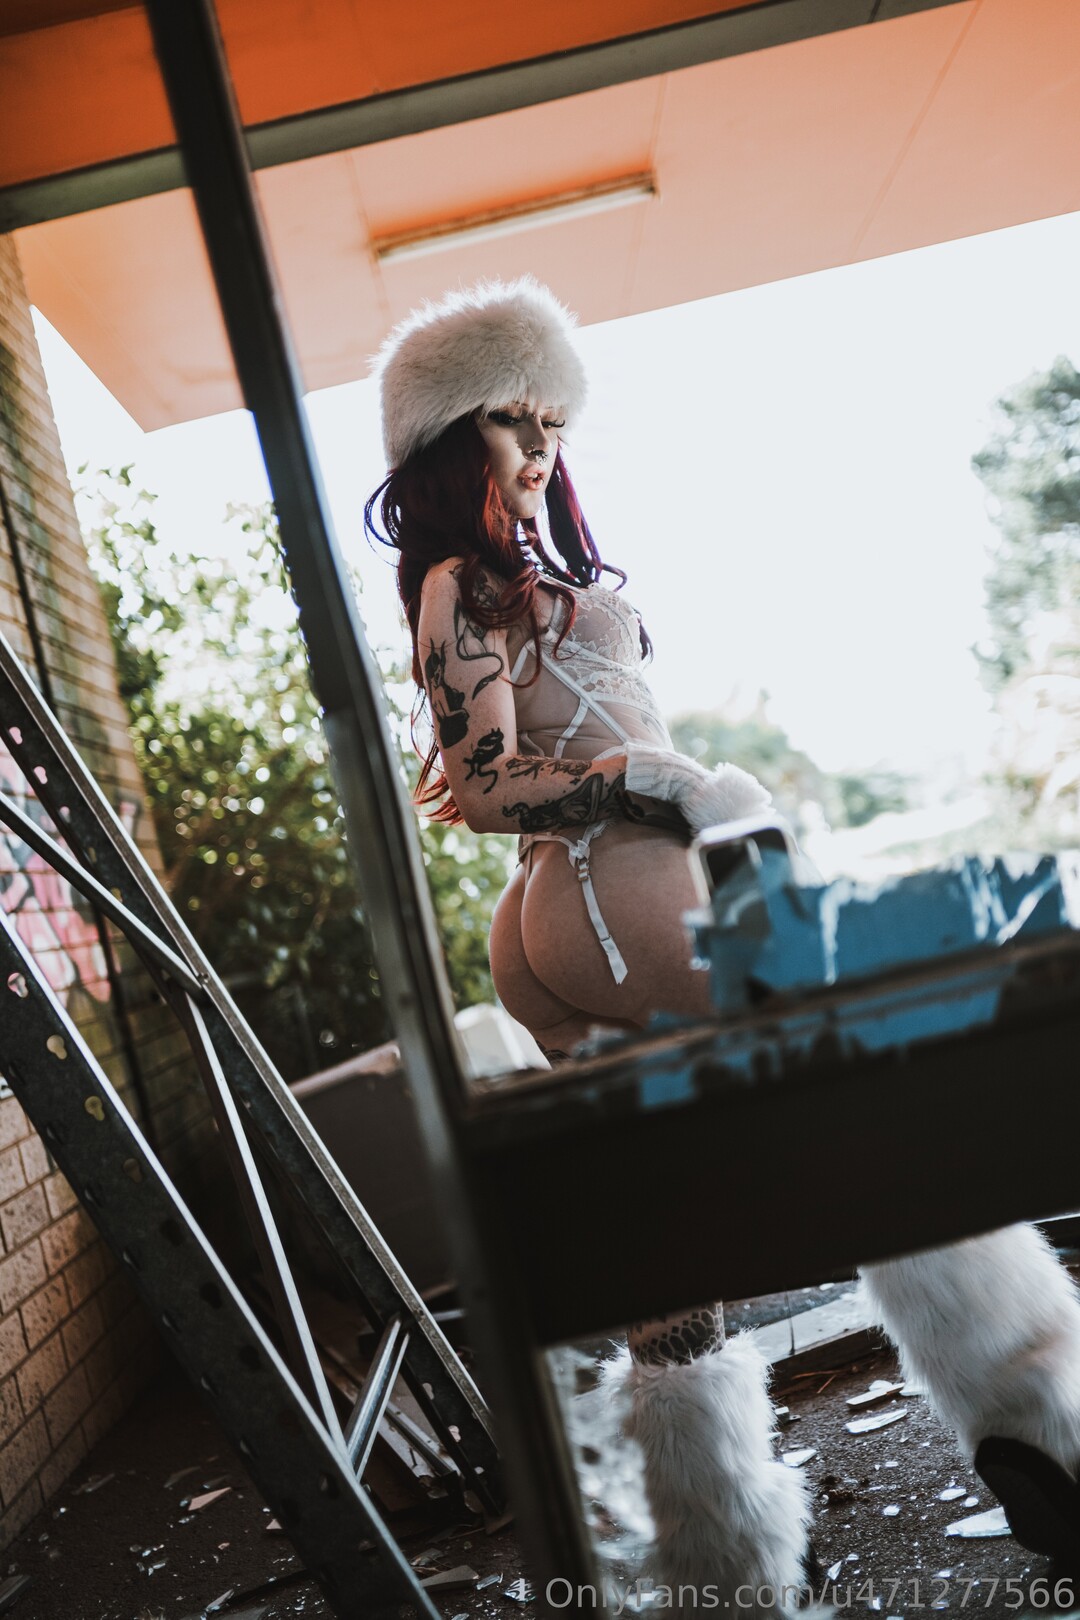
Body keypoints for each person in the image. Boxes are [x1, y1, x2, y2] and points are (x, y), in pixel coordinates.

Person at [366, 278, 1080, 1610]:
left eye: (553, 423)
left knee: (660, 1229)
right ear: (452, 438)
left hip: (580, 908)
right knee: (864, 1089)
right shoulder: (463, 582)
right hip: (605, 887)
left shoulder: (520, 582)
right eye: (514, 421)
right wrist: (647, 782)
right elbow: (480, 785)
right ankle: (1045, 1422)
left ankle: (722, 1561)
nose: (542, 448)